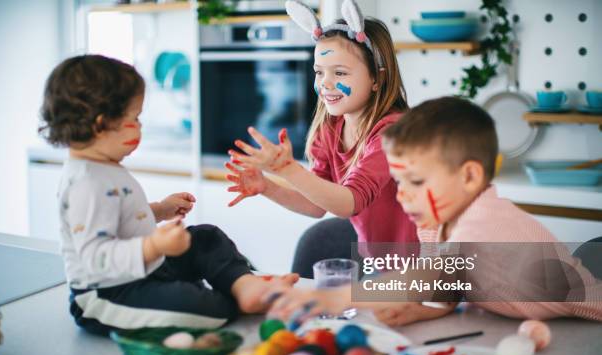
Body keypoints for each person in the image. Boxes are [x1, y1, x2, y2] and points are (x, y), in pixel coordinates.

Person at [267, 96, 602, 325]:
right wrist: (423, 313)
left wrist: (342, 297)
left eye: (415, 181)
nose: (402, 196)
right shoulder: (434, 222)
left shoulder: (485, 223)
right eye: (399, 182)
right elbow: (449, 285)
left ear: (469, 176)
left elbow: (428, 275)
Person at [39, 55, 297, 336]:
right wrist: (155, 246)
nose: (140, 126)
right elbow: (96, 258)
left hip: (149, 269)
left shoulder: (103, 167)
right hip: (108, 294)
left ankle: (245, 289)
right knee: (205, 309)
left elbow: (120, 221)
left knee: (205, 238)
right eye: (134, 118)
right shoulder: (86, 184)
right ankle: (233, 300)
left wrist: (161, 210)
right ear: (101, 125)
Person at [224, 0, 418, 247]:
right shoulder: (331, 128)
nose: (325, 83)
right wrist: (267, 187)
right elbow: (315, 204)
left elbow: (350, 202)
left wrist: (288, 169)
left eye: (339, 73)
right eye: (319, 72)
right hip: (383, 262)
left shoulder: (392, 133)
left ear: (376, 78)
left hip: (426, 263)